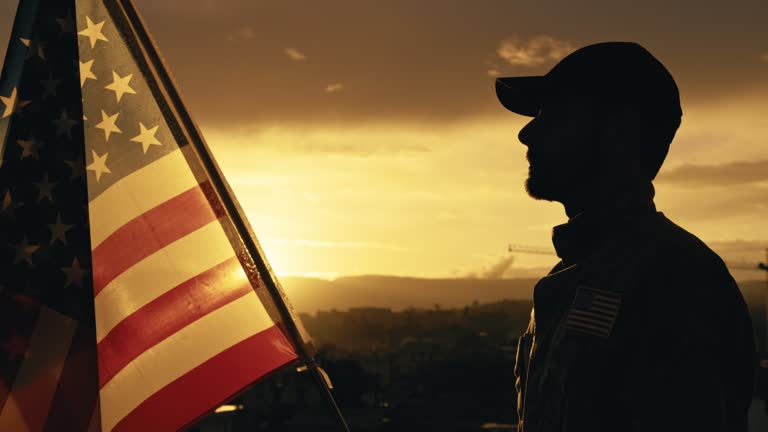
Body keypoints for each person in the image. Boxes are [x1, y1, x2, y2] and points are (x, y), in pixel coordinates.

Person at [494, 42, 755, 431]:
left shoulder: (677, 282)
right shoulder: (577, 275)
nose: (527, 132)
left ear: (619, 131)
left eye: (556, 114)